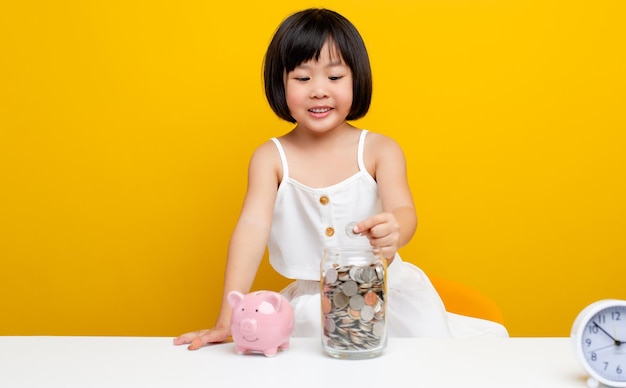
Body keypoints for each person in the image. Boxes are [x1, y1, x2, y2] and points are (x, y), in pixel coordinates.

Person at [174, 8, 507, 350]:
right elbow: (251, 230)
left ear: (356, 80)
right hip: (311, 308)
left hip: (387, 298)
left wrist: (396, 228)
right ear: (280, 83)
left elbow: (404, 211)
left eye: (334, 78)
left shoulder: (380, 149)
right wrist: (226, 320)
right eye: (302, 79)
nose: (319, 91)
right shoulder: (270, 158)